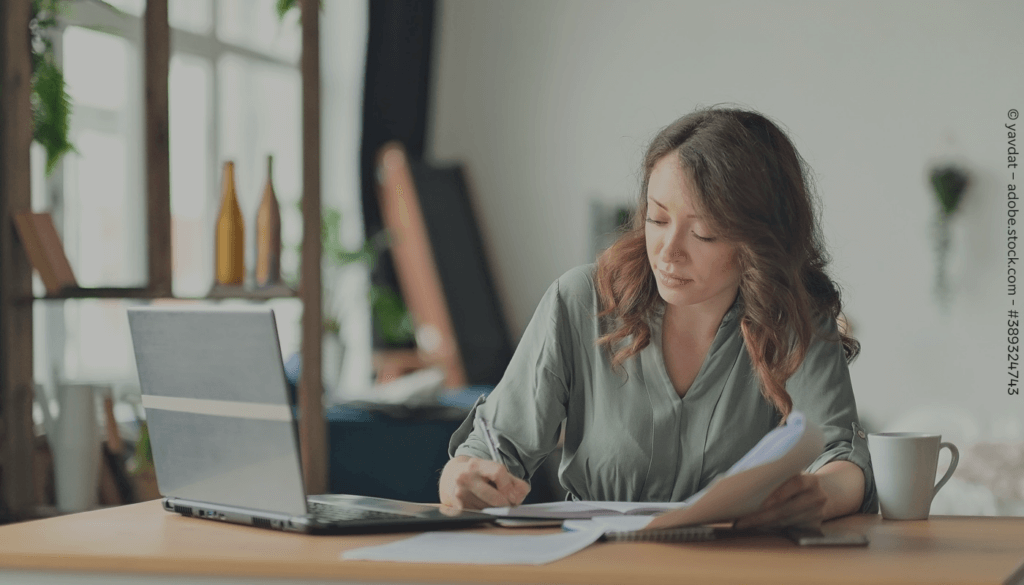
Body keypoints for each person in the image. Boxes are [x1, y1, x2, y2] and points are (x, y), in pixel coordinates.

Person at [439, 105, 878, 529]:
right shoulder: (579, 302)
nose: (668, 252)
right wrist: (461, 477)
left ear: (759, 240)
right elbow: (493, 447)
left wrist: (820, 493)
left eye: (703, 232)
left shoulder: (794, 318)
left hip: (737, 569)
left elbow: (840, 456)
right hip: (596, 567)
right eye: (657, 218)